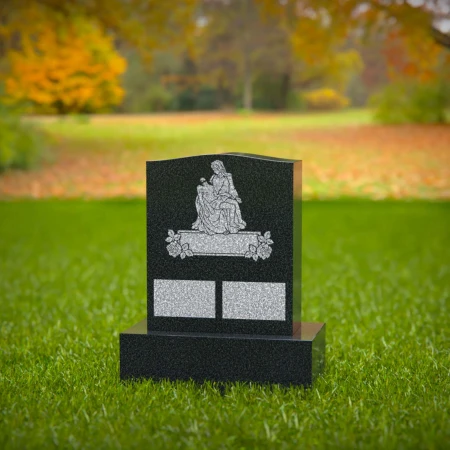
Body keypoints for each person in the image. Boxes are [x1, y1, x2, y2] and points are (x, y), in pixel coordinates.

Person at [192, 160, 246, 235]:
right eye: (213, 168)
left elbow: (232, 188)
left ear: (219, 167)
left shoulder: (228, 176)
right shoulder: (213, 177)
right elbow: (211, 189)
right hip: (217, 198)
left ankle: (235, 223)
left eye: (214, 168)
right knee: (232, 205)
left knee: (235, 203)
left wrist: (236, 197)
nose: (213, 170)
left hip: (225, 196)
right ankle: (231, 225)